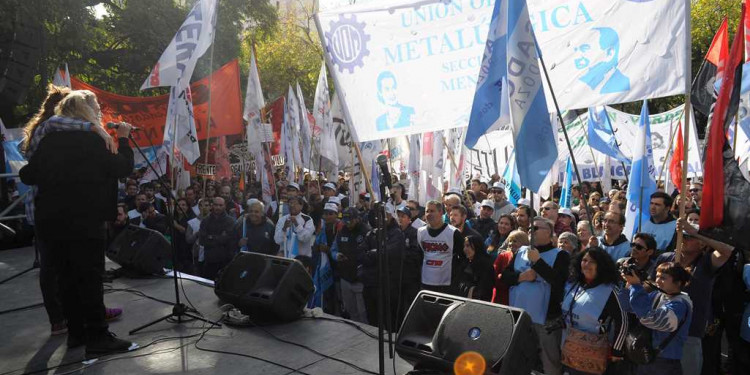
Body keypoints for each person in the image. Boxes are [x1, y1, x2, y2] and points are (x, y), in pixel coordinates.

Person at [20, 90, 137, 356]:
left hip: (50, 221)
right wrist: (124, 139)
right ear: (86, 112)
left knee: (66, 280)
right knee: (90, 278)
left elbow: (28, 175)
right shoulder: (92, 140)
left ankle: (77, 335)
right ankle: (98, 337)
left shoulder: (47, 140)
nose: (99, 113)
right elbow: (121, 167)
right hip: (85, 220)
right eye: (96, 108)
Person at [650, 219, 733, 375]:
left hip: (690, 332)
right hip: (660, 330)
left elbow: (727, 251)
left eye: (689, 237)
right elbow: (650, 287)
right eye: (682, 235)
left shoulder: (706, 262)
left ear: (701, 244)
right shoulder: (666, 259)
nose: (684, 239)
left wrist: (697, 232)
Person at [501, 216, 570, 375]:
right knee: (520, 358)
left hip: (546, 319)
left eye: (536, 228)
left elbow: (558, 282)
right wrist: (521, 277)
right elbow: (505, 277)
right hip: (520, 316)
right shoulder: (520, 251)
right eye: (530, 228)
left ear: (549, 233)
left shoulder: (561, 255)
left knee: (549, 361)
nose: (531, 231)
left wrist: (538, 262)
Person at [561, 247, 627, 375]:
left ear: (601, 265)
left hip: (593, 353)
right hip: (568, 349)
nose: (586, 264)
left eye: (592, 262)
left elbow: (623, 320)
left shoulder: (611, 291)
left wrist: (617, 350)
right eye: (584, 260)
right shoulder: (575, 284)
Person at [621, 262, 693, 375]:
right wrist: (629, 284)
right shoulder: (658, 295)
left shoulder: (680, 304)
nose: (658, 281)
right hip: (647, 356)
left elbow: (649, 318)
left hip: (665, 361)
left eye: (663, 278)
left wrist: (636, 286)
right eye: (657, 276)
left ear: (678, 282)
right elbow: (629, 307)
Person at [358, 204, 407, 328]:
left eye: (382, 215)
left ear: (390, 216)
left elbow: (388, 254)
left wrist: (373, 253)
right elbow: (360, 254)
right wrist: (374, 254)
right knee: (372, 319)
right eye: (376, 216)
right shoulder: (372, 233)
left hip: (388, 286)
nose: (378, 219)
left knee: (388, 320)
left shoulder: (397, 234)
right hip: (370, 284)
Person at [417, 200, 465, 295]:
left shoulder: (453, 233)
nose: (429, 214)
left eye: (432, 211)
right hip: (426, 283)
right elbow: (420, 255)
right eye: (427, 211)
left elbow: (463, 257)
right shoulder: (420, 232)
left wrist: (456, 276)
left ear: (440, 212)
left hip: (446, 284)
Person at [332, 207, 370, 324]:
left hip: (361, 280)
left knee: (363, 312)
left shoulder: (366, 232)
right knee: (350, 310)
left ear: (357, 219)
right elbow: (333, 249)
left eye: (350, 220)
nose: (348, 223)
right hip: (345, 278)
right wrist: (337, 255)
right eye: (345, 220)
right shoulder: (341, 231)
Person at [198, 197, 236, 280]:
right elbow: (202, 240)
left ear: (225, 206)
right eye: (215, 205)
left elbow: (229, 240)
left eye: (220, 205)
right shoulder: (205, 221)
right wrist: (220, 237)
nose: (218, 207)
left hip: (225, 262)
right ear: (212, 205)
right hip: (209, 261)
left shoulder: (230, 221)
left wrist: (211, 237)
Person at [493, 230, 529, 305]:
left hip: (518, 299)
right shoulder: (503, 256)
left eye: (515, 241)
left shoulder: (528, 258)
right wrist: (502, 277)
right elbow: (493, 275)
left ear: (524, 242)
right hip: (501, 298)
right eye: (510, 241)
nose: (511, 244)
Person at [455, 235, 496, 302]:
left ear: (477, 246)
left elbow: (485, 288)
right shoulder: (465, 262)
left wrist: (471, 289)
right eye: (464, 246)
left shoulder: (486, 264)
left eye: (468, 246)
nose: (464, 249)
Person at [186, 198, 211, 275]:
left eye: (206, 205)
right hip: (197, 254)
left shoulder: (215, 221)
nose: (204, 207)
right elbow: (188, 239)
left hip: (210, 254)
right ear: (198, 207)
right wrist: (196, 234)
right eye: (201, 205)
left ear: (210, 207)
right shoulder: (192, 222)